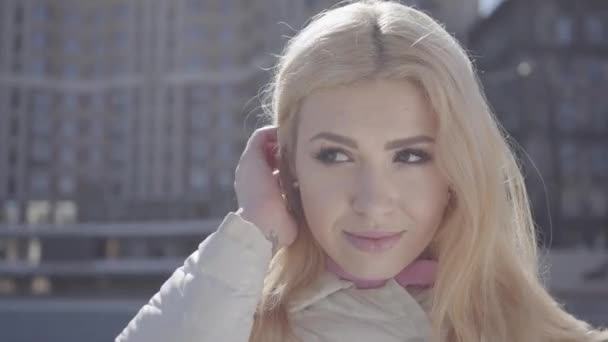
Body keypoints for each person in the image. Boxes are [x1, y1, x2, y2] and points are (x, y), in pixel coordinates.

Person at [116, 1, 608, 341]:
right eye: (334, 156)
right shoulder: (240, 321)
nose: (373, 201)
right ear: (287, 165)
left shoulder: (528, 332)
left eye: (411, 156)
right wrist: (255, 227)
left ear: (458, 168)